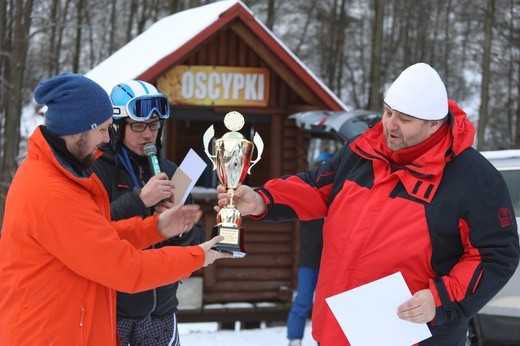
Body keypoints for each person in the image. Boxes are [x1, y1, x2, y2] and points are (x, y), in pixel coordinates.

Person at [216, 63, 520, 345]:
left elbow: (496, 256)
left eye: (404, 119)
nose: (390, 125)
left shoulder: (474, 179)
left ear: (433, 124)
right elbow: (318, 188)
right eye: (388, 112)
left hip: (412, 336)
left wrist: (438, 299)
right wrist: (261, 200)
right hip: (335, 331)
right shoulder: (363, 149)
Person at [0, 73, 231, 345]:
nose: (105, 139)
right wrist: (195, 257)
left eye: (154, 125)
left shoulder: (60, 174)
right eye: (102, 130)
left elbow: (96, 237)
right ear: (77, 129)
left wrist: (156, 229)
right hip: (51, 331)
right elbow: (124, 267)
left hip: (79, 323)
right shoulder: (55, 191)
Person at [91, 80, 205, 346]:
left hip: (162, 313)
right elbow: (90, 231)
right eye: (138, 126)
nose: (148, 134)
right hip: (114, 311)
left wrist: (181, 229)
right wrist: (139, 201)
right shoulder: (97, 169)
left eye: (154, 125)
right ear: (117, 127)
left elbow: (197, 238)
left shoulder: (172, 170)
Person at [287, 219, 323, 346]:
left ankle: (323, 340)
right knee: (303, 300)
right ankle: (294, 339)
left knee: (326, 305)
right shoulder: (307, 208)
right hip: (308, 262)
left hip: (330, 263)